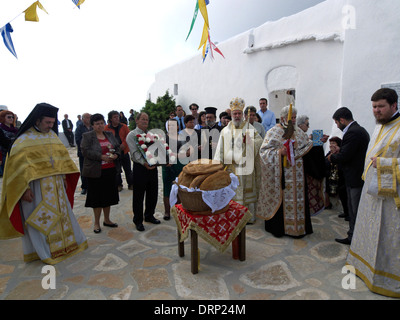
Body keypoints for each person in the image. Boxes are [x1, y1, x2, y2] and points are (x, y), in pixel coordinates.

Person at [0, 103, 87, 264]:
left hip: (57, 187)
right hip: (36, 189)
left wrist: (63, 177)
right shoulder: (23, 140)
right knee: (40, 219)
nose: (50, 126)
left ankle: (67, 245)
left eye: (52, 123)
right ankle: (42, 251)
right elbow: (16, 169)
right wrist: (23, 189)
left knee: (61, 215)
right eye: (47, 123)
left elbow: (62, 159)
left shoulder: (52, 136)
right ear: (37, 120)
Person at [346, 88, 400, 298]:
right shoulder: (379, 126)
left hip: (391, 198)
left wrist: (385, 163)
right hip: (372, 192)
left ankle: (386, 277)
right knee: (369, 229)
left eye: (381, 106)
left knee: (387, 235)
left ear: (394, 105)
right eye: (374, 107)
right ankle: (365, 267)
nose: (376, 111)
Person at [256, 105, 314, 238]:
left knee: (298, 199)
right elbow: (264, 152)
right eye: (291, 118)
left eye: (294, 117)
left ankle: (299, 228)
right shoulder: (273, 131)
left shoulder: (299, 131)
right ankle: (280, 229)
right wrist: (279, 152)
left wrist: (314, 142)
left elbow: (306, 147)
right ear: (282, 118)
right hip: (281, 175)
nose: (293, 120)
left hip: (298, 174)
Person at [215, 98, 263, 223]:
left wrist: (250, 142)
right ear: (231, 115)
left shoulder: (249, 128)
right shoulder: (225, 131)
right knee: (233, 193)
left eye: (239, 113)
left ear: (242, 114)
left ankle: (247, 218)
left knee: (247, 193)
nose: (237, 116)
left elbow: (260, 141)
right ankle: (233, 217)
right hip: (232, 168)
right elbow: (220, 149)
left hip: (247, 168)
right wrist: (218, 166)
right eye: (234, 113)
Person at [327, 107, 370, 245]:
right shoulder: (358, 130)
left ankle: (356, 239)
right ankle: (352, 236)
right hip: (355, 176)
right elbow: (351, 152)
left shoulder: (353, 132)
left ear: (342, 120)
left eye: (337, 122)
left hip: (355, 177)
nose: (337, 125)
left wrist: (332, 157)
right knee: (352, 209)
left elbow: (345, 156)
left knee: (355, 210)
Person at [81, 113, 121, 234]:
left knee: (108, 197)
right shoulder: (88, 136)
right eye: (97, 123)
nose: (100, 125)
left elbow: (117, 147)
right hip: (96, 172)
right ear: (92, 125)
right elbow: (85, 151)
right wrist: (101, 157)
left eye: (101, 123)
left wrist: (116, 155)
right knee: (97, 199)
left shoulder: (109, 134)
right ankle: (97, 223)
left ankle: (107, 220)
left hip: (110, 170)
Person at [126, 112, 160, 231]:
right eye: (143, 119)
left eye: (147, 119)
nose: (145, 121)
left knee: (153, 193)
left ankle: (149, 215)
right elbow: (134, 153)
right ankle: (138, 220)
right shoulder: (132, 135)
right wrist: (144, 163)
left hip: (152, 168)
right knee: (139, 195)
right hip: (140, 168)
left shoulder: (150, 135)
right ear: (137, 120)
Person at [297, 115, 328, 216]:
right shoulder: (298, 136)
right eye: (307, 124)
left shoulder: (304, 136)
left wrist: (318, 142)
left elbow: (310, 150)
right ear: (300, 125)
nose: (308, 127)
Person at [105, 110, 133, 191]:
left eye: (117, 116)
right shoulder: (106, 128)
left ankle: (131, 184)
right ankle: (118, 185)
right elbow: (106, 138)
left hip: (124, 151)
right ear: (110, 119)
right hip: (114, 152)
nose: (117, 118)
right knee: (116, 170)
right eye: (115, 117)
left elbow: (128, 136)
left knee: (128, 169)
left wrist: (124, 144)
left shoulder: (124, 126)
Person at [162, 119, 185, 220]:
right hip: (168, 166)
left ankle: (179, 210)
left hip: (179, 165)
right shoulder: (163, 138)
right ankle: (167, 212)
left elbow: (187, 152)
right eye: (170, 125)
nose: (172, 127)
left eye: (174, 125)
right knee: (167, 189)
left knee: (179, 188)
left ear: (177, 127)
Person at [325, 137, 349, 219]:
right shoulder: (329, 153)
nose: (331, 145)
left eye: (333, 143)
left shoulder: (340, 153)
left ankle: (348, 213)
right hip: (332, 178)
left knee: (344, 195)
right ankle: (346, 212)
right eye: (330, 143)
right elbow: (325, 163)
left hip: (341, 178)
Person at [75, 112, 92, 195]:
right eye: (87, 117)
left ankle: (92, 186)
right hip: (83, 152)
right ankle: (84, 187)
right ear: (83, 119)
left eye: (90, 117)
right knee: (83, 170)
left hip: (93, 152)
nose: (89, 119)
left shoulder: (93, 127)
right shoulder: (79, 128)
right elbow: (78, 139)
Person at [0, 110, 18, 175]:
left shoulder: (16, 129)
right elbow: (4, 142)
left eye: (12, 117)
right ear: (3, 118)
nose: (11, 119)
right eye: (9, 117)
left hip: (17, 153)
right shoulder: (1, 129)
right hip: (6, 155)